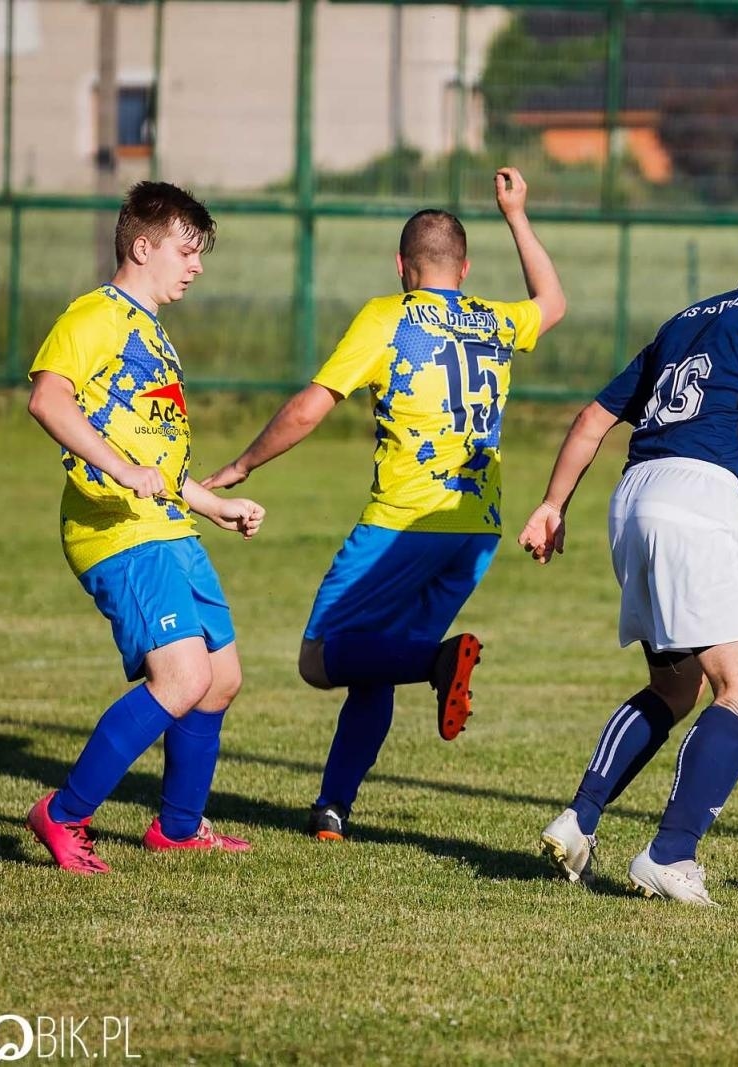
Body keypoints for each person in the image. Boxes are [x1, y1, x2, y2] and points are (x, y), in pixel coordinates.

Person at [519, 209, 738, 906]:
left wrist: (553, 503)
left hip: (634, 495)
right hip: (698, 499)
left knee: (675, 687)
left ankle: (579, 818)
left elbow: (594, 418)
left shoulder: (683, 321)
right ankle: (670, 854)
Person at [203, 167, 565, 841]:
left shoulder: (386, 317)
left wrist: (245, 461)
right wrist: (516, 214)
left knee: (322, 656)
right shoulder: (494, 318)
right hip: (475, 530)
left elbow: (312, 405)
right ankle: (333, 807)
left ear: (402, 265)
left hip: (404, 523)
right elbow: (552, 299)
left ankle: (438, 661)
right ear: (465, 266)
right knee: (376, 659)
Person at [25, 181, 266, 875]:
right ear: (141, 246)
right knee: (182, 675)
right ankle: (63, 812)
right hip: (117, 530)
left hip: (165, 525)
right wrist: (119, 468)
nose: (196, 266)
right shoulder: (95, 315)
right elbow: (49, 398)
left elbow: (152, 458)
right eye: (185, 251)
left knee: (220, 678)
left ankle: (179, 828)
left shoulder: (151, 332)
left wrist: (210, 503)